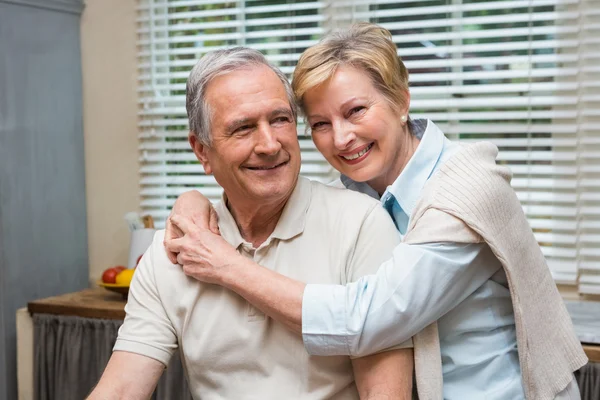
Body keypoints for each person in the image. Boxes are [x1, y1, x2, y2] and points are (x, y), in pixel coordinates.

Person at [165, 23, 587, 400]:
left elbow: (369, 319)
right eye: (320, 124)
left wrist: (226, 265)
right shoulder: (359, 194)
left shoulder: (469, 189)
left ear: (401, 101)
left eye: (355, 111)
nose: (342, 138)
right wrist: (195, 201)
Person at [88, 47, 414, 400]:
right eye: (243, 128)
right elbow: (120, 390)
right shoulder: (175, 248)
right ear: (202, 151)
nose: (270, 144)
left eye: (280, 119)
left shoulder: (361, 225)